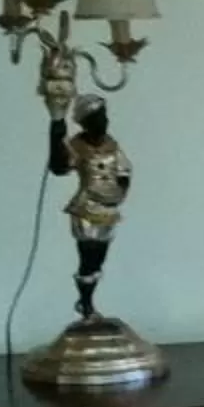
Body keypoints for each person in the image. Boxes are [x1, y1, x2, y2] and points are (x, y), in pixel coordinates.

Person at [51, 95, 131, 318]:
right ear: (86, 121)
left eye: (104, 117)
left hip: (109, 209)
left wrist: (120, 191)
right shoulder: (76, 146)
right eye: (98, 118)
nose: (104, 122)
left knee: (99, 259)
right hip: (87, 208)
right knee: (88, 255)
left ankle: (88, 301)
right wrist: (56, 128)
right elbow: (58, 167)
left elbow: (124, 170)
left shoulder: (112, 145)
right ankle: (86, 303)